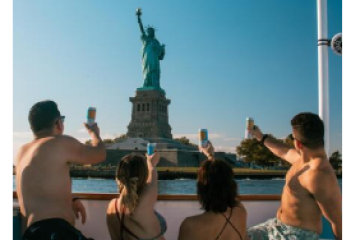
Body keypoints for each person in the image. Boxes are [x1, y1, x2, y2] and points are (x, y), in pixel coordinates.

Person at [16, 100, 106, 240]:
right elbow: (99, 154)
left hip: (30, 234)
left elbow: (40, 184)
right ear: (58, 123)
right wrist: (94, 133)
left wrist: (71, 198)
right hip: (55, 231)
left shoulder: (21, 152)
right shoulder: (59, 142)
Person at [248, 112, 343, 240]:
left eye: (292, 137)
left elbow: (337, 221)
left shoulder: (319, 174)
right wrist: (261, 137)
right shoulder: (303, 159)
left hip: (297, 236)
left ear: (298, 144)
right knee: (235, 236)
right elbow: (284, 151)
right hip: (276, 226)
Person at [178, 143, 249, 240]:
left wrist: (210, 156)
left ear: (202, 188)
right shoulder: (241, 212)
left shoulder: (190, 225)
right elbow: (223, 183)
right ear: (232, 185)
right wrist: (210, 156)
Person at [107, 153, 167, 240]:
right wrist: (150, 164)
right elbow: (153, 178)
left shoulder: (112, 205)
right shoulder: (143, 204)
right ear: (144, 176)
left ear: (118, 176)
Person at [136, 9, 165, 89]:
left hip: (154, 58)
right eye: (148, 31)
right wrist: (139, 19)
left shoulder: (156, 41)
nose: (149, 32)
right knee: (147, 70)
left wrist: (163, 49)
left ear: (153, 32)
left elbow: (161, 56)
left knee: (155, 70)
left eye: (151, 31)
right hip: (147, 57)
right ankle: (147, 84)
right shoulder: (146, 39)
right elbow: (141, 29)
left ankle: (155, 85)